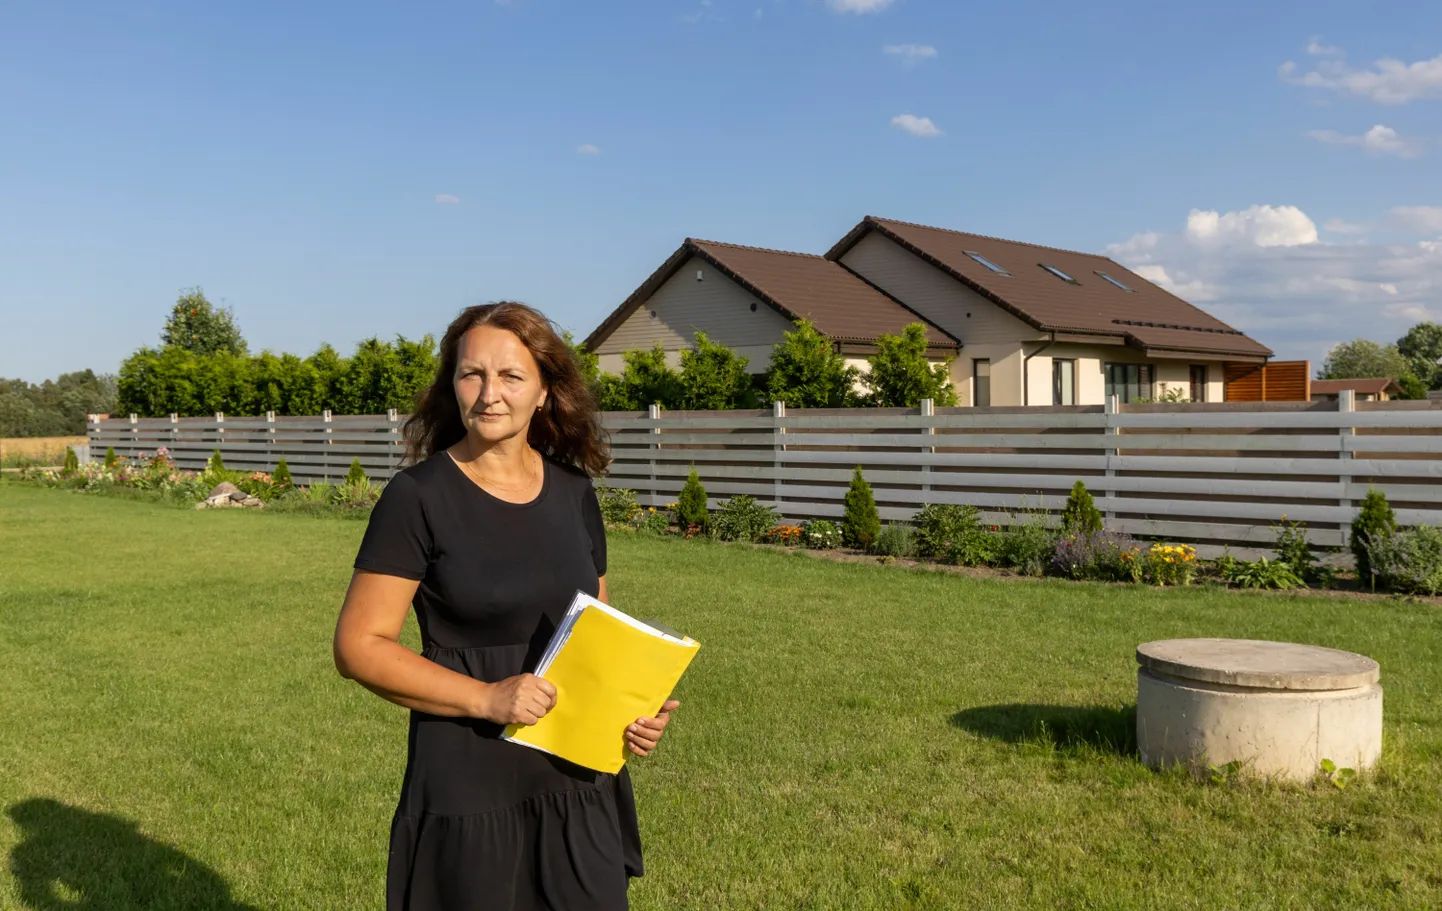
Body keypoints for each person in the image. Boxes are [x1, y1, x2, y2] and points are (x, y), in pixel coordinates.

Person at [332, 302, 680, 910]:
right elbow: (359, 647)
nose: (490, 394)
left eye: (512, 377)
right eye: (472, 374)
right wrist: (488, 698)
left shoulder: (575, 493)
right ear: (453, 386)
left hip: (577, 775)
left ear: (545, 392)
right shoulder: (417, 498)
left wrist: (632, 712)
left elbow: (594, 632)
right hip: (470, 778)